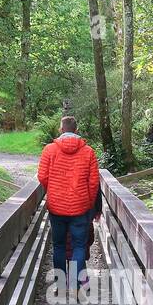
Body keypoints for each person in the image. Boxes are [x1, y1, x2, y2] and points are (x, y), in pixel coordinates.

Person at [37, 115, 100, 288]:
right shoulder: (88, 152)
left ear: (61, 129)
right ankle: (77, 286)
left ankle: (61, 285)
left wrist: (55, 191)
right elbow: (94, 182)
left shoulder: (49, 150)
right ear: (76, 130)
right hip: (80, 208)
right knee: (79, 246)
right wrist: (88, 202)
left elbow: (42, 176)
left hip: (56, 208)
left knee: (58, 245)